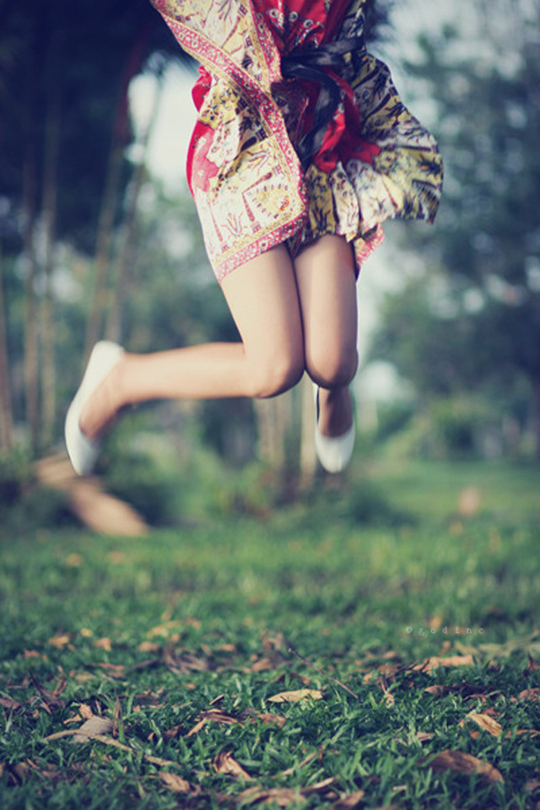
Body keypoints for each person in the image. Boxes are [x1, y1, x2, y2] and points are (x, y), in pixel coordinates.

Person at [65, 0, 443, 477]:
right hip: (241, 145)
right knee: (274, 368)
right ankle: (122, 379)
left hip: (321, 141)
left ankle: (333, 389)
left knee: (332, 364)